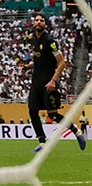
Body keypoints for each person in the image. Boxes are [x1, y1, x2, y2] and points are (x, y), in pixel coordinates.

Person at [24, 15, 86, 153]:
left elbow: (62, 62)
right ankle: (42, 143)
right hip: (36, 83)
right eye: (36, 20)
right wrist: (30, 65)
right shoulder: (35, 40)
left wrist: (53, 81)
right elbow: (42, 60)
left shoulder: (50, 41)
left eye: (41, 20)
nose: (38, 22)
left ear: (45, 24)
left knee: (53, 115)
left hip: (48, 83)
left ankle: (77, 132)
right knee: (32, 112)